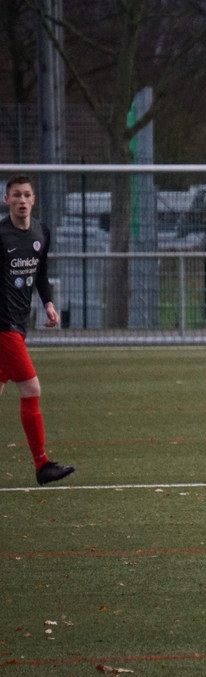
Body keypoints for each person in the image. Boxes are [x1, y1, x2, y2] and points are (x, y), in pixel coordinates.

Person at [1, 175, 76, 486]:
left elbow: (40, 271)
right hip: (3, 326)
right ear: (7, 200)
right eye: (15, 195)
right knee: (31, 389)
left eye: (26, 195)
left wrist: (47, 303)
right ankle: (42, 465)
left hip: (20, 322)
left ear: (33, 200)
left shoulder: (41, 232)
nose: (21, 200)